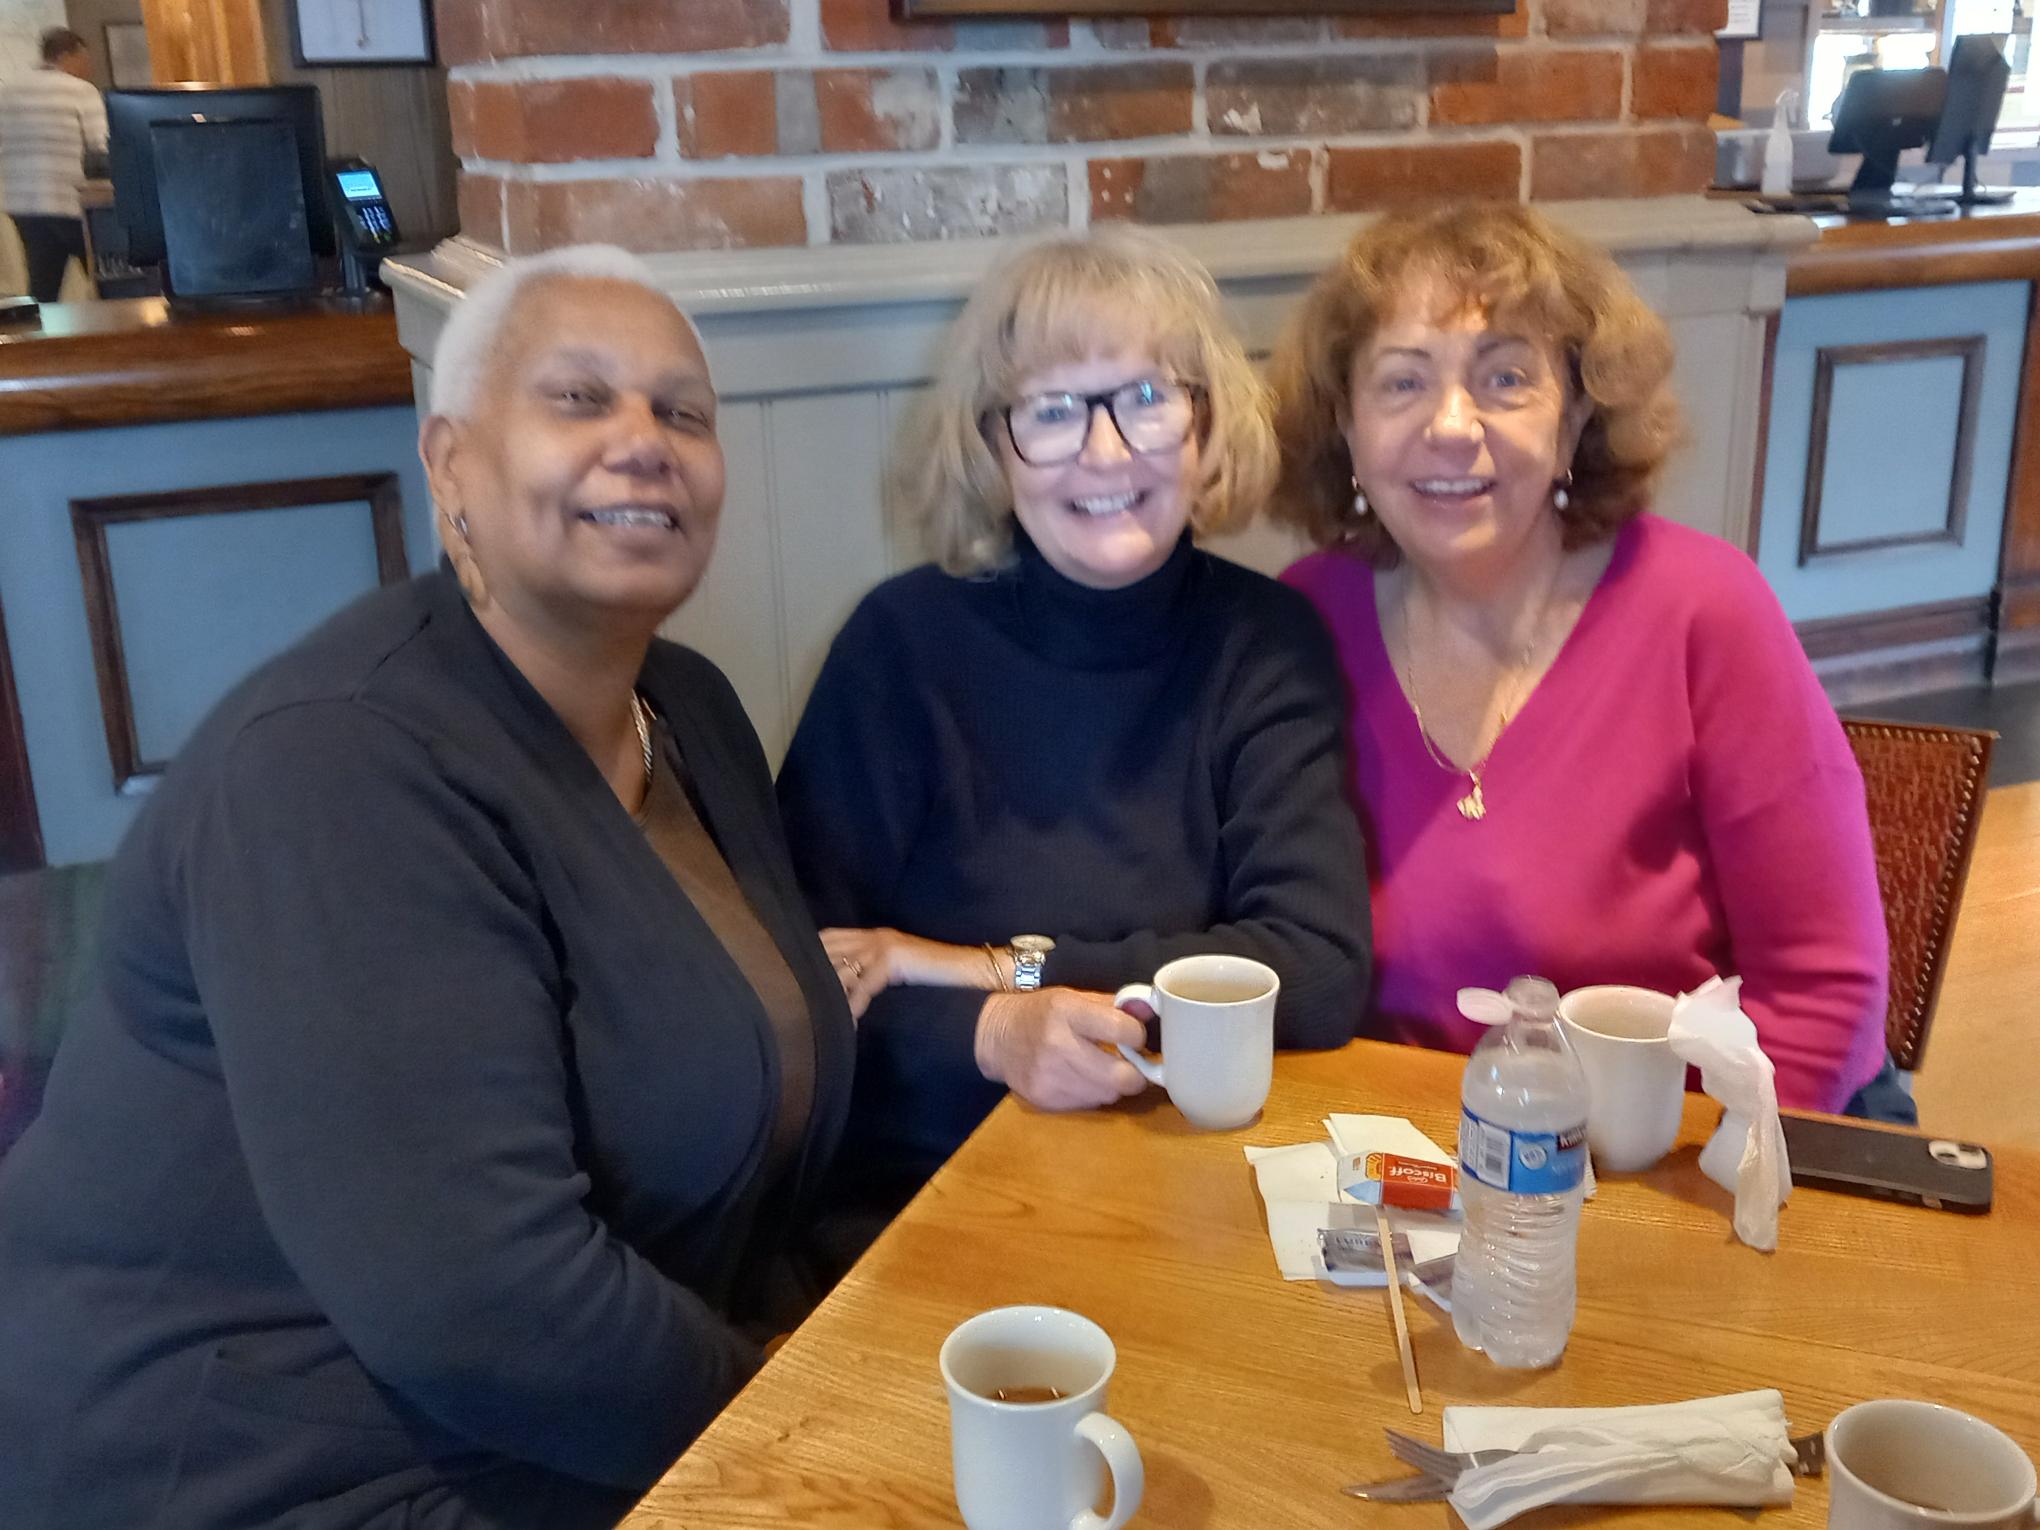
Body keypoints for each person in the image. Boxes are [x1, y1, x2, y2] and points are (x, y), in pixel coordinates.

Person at [0, 246, 855, 1528]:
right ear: (450, 464)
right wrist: (816, 1431)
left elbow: (756, 1067)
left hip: (582, 1402)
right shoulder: (337, 763)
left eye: (684, 412)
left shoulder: (689, 711)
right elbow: (480, 1304)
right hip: (282, 1457)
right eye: (580, 398)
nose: (645, 441)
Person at [776, 227, 1372, 1241]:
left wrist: (995, 969)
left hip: (1192, 1190)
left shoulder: (1265, 643)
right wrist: (991, 1036)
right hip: (927, 1198)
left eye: (1146, 398)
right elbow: (797, 987)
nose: (1106, 454)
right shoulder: (899, 648)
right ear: (991, 448)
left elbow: (1314, 972)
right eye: (1051, 412)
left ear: (1207, 424)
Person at [1271, 201, 1889, 1115]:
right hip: (1396, 1158)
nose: (1451, 425)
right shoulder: (1302, 616)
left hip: (1671, 1154)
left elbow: (1822, 994)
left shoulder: (1703, 609)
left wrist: (1691, 1199)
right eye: (1401, 383)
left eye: (1505, 378)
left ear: (1573, 426)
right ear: (1348, 434)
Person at [0, 28, 107, 303]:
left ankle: (42, 343)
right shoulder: (81, 91)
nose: (87, 66)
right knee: (106, 279)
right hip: (72, 201)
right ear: (66, 55)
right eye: (84, 58)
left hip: (24, 203)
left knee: (43, 287)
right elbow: (100, 146)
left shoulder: (8, 91)